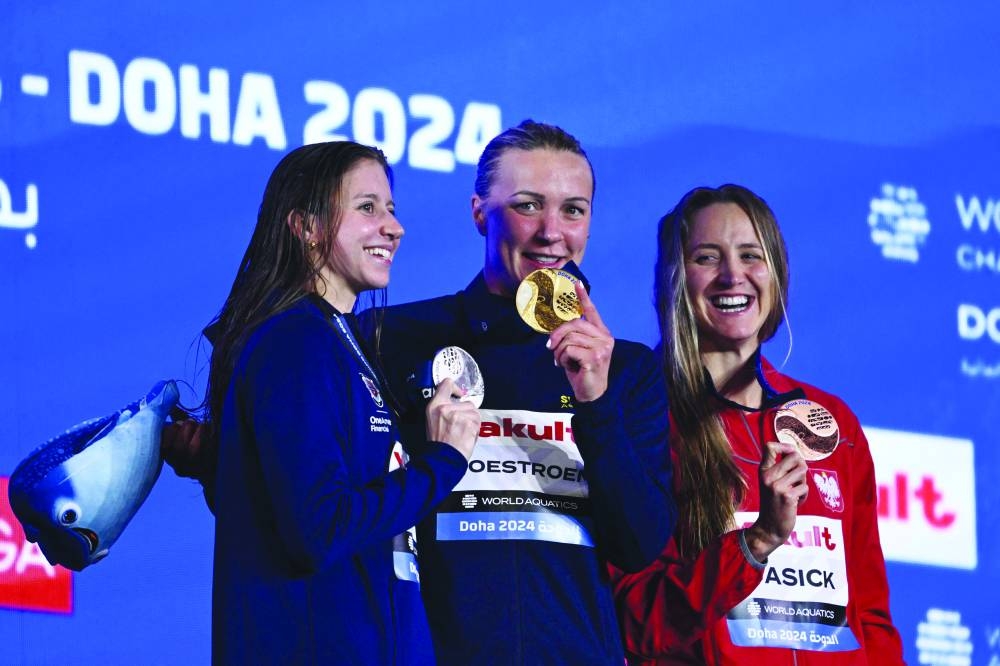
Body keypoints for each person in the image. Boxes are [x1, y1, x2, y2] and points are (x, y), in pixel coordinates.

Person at [368, 120, 676, 665]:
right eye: (528, 205)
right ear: (479, 213)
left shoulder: (625, 369)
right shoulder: (394, 339)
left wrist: (596, 403)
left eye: (573, 210)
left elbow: (639, 546)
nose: (551, 232)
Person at [203, 141, 481, 665]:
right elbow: (319, 529)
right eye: (367, 207)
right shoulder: (296, 343)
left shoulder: (339, 339)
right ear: (307, 227)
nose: (394, 228)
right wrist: (443, 462)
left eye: (391, 210)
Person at [611, 184, 903, 664]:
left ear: (777, 272)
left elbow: (868, 617)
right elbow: (637, 618)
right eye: (707, 258)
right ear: (673, 279)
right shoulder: (642, 419)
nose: (733, 276)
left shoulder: (831, 422)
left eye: (751, 255)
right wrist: (754, 544)